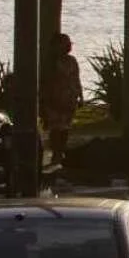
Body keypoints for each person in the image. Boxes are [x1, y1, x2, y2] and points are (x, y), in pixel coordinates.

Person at [42, 33, 85, 172]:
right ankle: (56, 154)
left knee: (65, 127)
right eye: (64, 43)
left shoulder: (72, 60)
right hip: (55, 99)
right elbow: (47, 82)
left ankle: (60, 154)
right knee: (56, 127)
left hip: (69, 99)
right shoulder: (50, 62)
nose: (68, 46)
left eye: (69, 43)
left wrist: (80, 95)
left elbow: (76, 78)